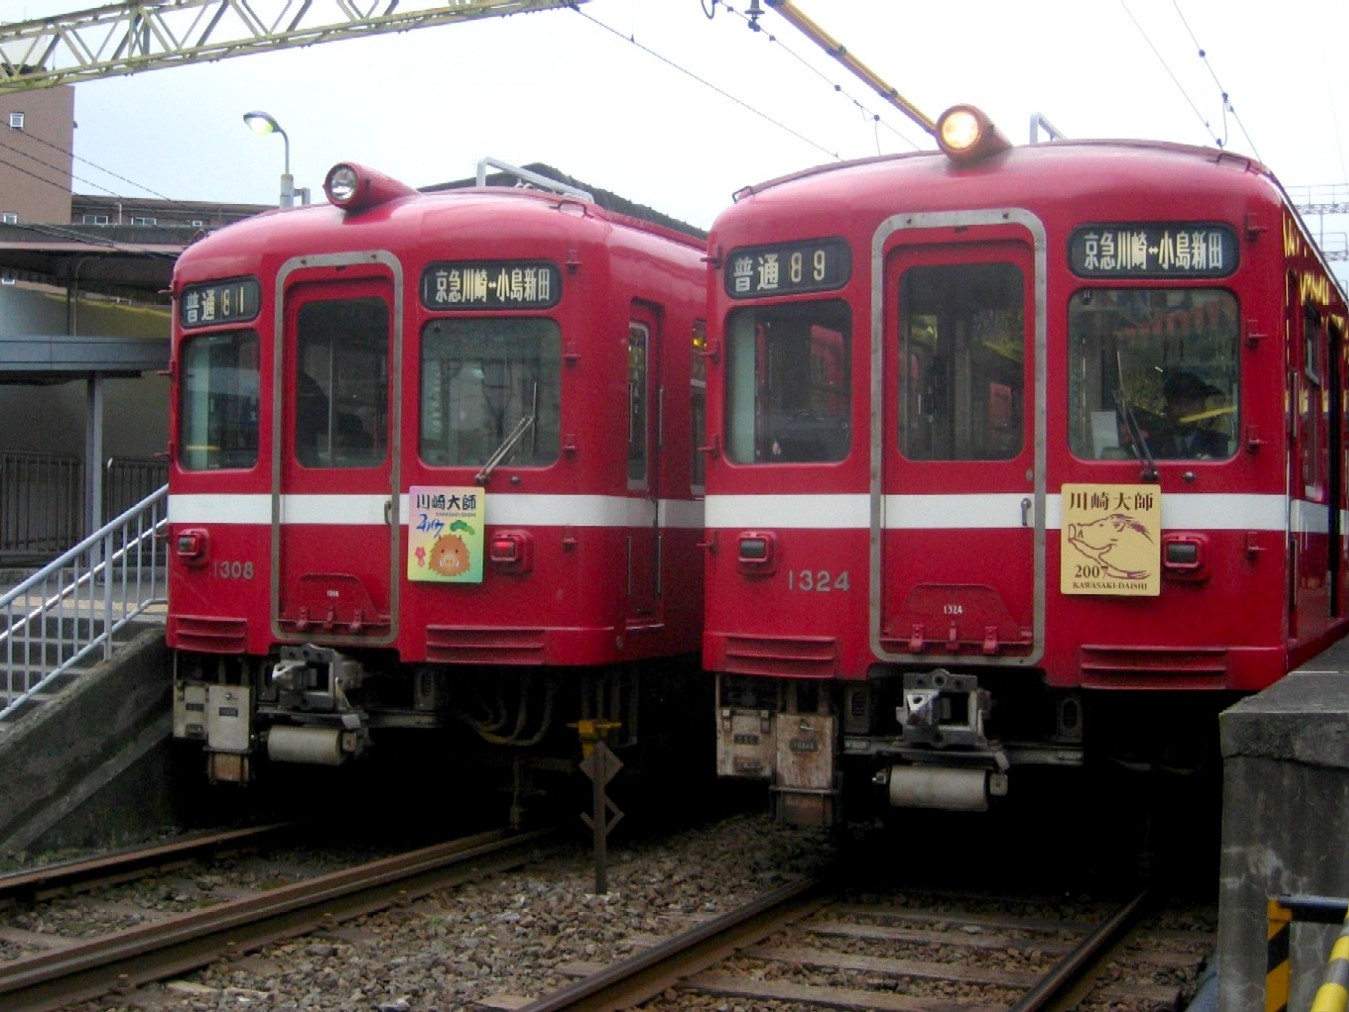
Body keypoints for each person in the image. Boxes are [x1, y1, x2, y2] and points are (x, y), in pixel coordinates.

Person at [1152, 371, 1229, 459]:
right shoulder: (1151, 445)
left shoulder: (1218, 444)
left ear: (1202, 409)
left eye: (1190, 404)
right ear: (1167, 408)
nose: (1184, 410)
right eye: (1177, 403)